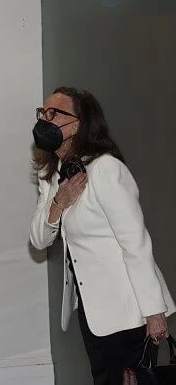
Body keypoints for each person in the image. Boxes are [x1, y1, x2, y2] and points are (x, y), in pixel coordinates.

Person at [29, 87, 176, 384]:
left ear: (78, 124)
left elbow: (135, 243)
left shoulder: (106, 169)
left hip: (128, 308)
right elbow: (39, 239)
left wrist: (154, 312)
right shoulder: (53, 175)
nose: (45, 119)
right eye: (42, 112)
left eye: (54, 113)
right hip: (92, 309)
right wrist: (59, 202)